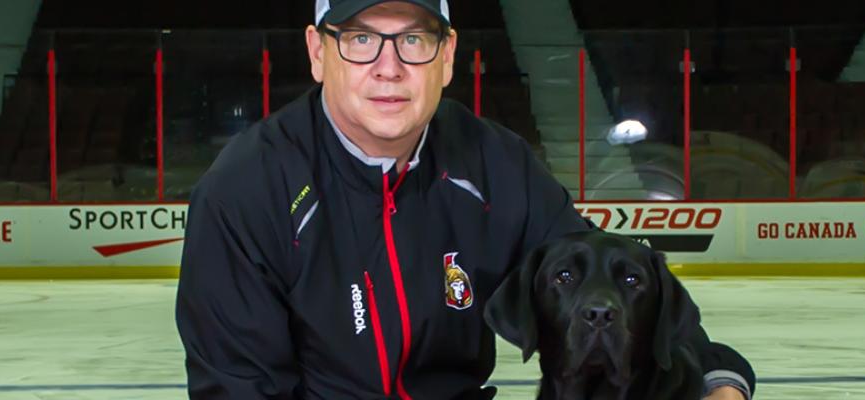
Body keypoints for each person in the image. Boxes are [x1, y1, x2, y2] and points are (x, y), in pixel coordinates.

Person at [174, 0, 755, 398]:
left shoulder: (493, 162)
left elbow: (596, 275)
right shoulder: (244, 193)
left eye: (413, 40)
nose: (389, 67)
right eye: (359, 39)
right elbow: (238, 388)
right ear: (318, 51)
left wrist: (713, 373)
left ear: (447, 56)